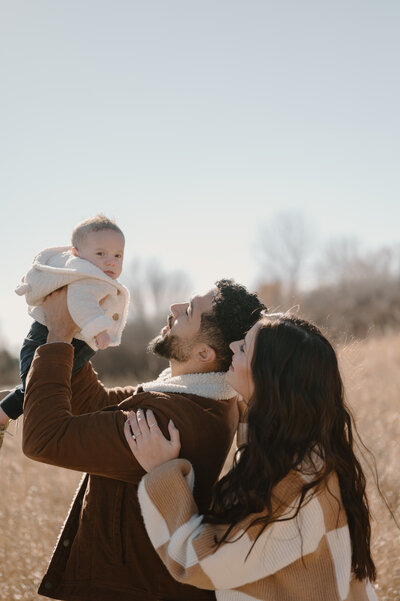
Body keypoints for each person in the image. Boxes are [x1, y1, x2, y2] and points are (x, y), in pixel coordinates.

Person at [21, 279, 266, 601]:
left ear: (203, 353)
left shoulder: (170, 419)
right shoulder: (197, 399)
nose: (174, 309)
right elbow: (96, 406)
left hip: (131, 589)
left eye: (188, 312)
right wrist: (77, 328)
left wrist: (58, 336)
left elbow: (44, 438)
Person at [125, 313, 379, 601]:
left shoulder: (294, 485)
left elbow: (200, 562)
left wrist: (164, 473)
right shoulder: (300, 444)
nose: (233, 346)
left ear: (268, 378)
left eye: (244, 347)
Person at [0, 214, 129, 444]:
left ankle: (9, 400)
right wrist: (99, 330)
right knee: (37, 390)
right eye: (101, 254)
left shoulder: (84, 272)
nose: (111, 261)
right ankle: (1, 415)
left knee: (38, 386)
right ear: (77, 253)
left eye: (117, 255)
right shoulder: (85, 276)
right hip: (52, 342)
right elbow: (81, 304)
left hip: (46, 339)